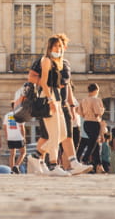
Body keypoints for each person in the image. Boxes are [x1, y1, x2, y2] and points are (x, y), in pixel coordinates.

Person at [36, 33, 89, 175]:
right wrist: (50, 100)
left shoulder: (59, 63)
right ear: (50, 47)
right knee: (54, 134)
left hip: (58, 99)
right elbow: (43, 83)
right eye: (55, 46)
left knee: (63, 134)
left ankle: (36, 155)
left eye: (60, 46)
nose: (58, 49)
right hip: (49, 97)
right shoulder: (46, 60)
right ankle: (54, 165)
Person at [78, 86, 104, 173]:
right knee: (93, 143)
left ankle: (99, 165)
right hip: (94, 122)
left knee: (95, 144)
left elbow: (79, 112)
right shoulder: (96, 100)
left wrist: (86, 115)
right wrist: (102, 109)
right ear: (96, 90)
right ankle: (85, 159)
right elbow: (98, 112)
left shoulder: (83, 100)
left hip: (86, 123)